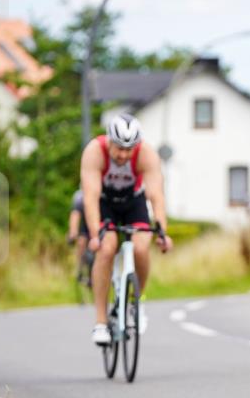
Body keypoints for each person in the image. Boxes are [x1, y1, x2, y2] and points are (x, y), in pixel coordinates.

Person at [80, 113, 173, 345]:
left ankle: (136, 301)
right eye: (119, 148)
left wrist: (162, 231)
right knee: (106, 248)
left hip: (133, 202)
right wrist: (95, 234)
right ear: (109, 141)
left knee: (141, 247)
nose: (123, 155)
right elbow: (90, 197)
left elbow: (156, 195)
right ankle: (101, 322)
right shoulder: (94, 151)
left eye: (129, 149)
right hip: (105, 203)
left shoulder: (146, 154)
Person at [67, 188, 91, 283]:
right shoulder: (79, 196)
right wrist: (73, 233)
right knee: (81, 242)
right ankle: (79, 270)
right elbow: (75, 214)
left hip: (99, 220)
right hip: (84, 223)